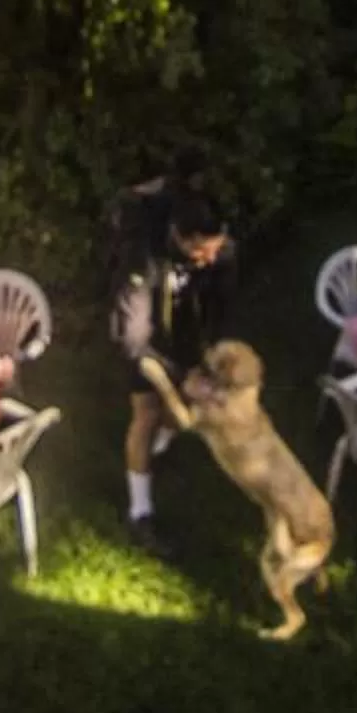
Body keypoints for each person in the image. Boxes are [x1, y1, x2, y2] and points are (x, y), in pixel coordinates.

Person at [106, 168, 235, 556]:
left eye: (217, 247)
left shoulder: (219, 251)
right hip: (139, 334)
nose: (211, 258)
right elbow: (133, 340)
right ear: (180, 237)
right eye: (203, 251)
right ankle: (139, 511)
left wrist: (208, 357)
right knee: (146, 410)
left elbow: (220, 306)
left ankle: (158, 448)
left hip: (180, 325)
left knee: (188, 409)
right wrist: (179, 376)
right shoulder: (141, 259)